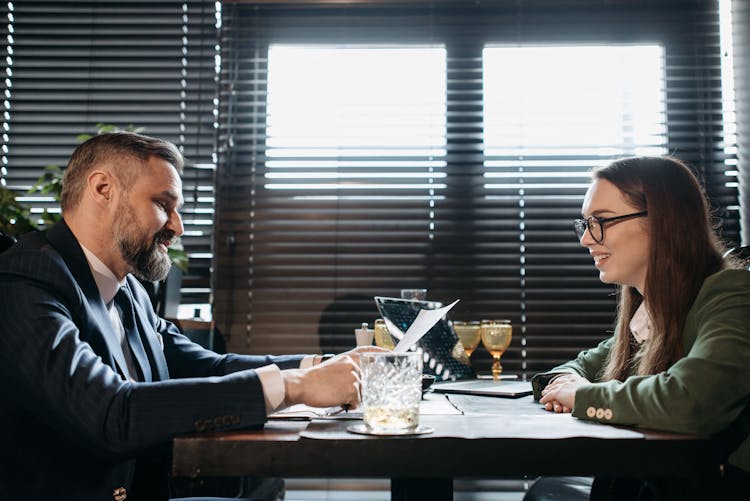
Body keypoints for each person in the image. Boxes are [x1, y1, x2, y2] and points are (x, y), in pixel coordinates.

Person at [0, 132, 380, 500]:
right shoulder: (26, 280)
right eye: (164, 204)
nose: (177, 227)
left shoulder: (127, 287)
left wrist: (318, 366)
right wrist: (295, 385)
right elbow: (110, 412)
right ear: (102, 189)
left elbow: (204, 366)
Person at [527, 156, 750, 500]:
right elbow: (581, 366)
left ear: (662, 223)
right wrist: (563, 382)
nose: (586, 239)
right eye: (584, 223)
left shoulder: (733, 294)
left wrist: (582, 395)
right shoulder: (652, 312)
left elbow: (691, 401)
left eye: (600, 221)